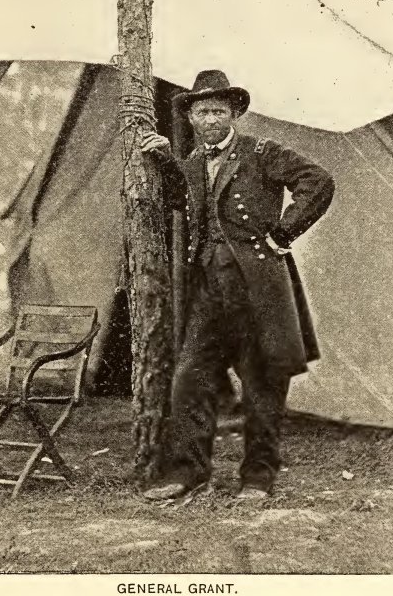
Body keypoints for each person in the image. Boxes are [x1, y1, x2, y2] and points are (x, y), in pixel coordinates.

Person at [141, 70, 335, 501]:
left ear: (234, 114)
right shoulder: (193, 162)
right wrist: (166, 161)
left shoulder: (262, 152)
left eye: (218, 111)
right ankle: (188, 472)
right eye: (202, 112)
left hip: (256, 287)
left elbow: (318, 180)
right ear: (191, 117)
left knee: (262, 383)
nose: (210, 119)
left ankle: (258, 478)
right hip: (207, 289)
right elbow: (180, 201)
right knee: (190, 378)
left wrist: (283, 232)